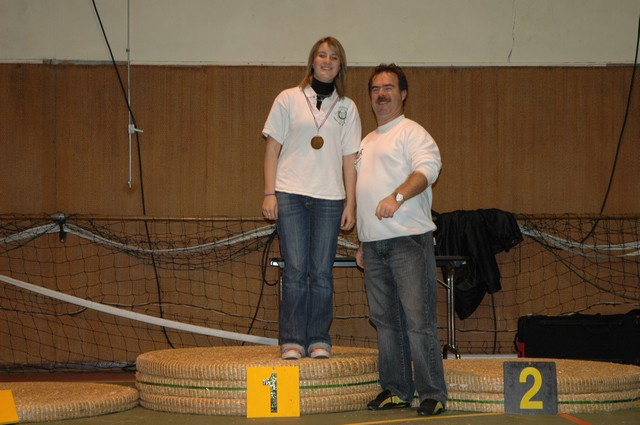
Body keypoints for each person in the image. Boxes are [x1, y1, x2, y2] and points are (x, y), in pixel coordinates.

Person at [355, 64, 447, 416]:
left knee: (417, 321)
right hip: (373, 248)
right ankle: (396, 389)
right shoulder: (366, 142)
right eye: (376, 89)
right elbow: (365, 192)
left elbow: (427, 171)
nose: (381, 94)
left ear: (403, 93)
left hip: (408, 242)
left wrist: (397, 197)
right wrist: (363, 241)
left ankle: (432, 393)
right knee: (386, 323)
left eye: (389, 87)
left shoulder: (412, 132)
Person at [262, 37, 361, 360]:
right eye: (322, 55)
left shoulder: (347, 108)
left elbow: (350, 159)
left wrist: (350, 203)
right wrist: (269, 193)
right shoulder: (288, 99)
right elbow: (272, 150)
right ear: (312, 61)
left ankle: (319, 339)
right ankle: (291, 340)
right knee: (294, 270)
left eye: (333, 57)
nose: (327, 61)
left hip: (329, 199)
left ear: (340, 65)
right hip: (290, 194)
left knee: (321, 273)